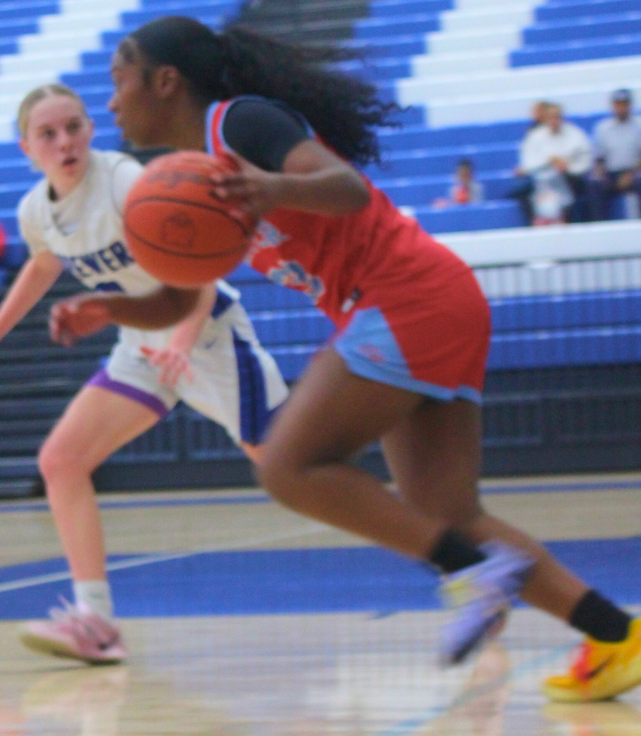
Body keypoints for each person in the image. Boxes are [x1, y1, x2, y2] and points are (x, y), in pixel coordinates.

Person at [49, 16, 640, 701]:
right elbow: (179, 301)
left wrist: (273, 189)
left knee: (287, 466)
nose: (111, 101)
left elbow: (346, 187)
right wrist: (109, 309)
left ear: (165, 81)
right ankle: (614, 634)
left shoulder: (237, 124)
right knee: (447, 512)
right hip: (429, 301)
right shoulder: (183, 179)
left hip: (405, 295)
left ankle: (471, 570)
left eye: (119, 79)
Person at [0, 83, 288, 664]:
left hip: (206, 338)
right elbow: (43, 265)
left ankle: (438, 544)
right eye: (48, 134)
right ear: (26, 148)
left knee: (294, 469)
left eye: (74, 127)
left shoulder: (127, 182)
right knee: (61, 461)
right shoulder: (35, 210)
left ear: (91, 129)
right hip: (142, 345)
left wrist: (180, 342)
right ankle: (97, 621)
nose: (65, 141)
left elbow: (199, 275)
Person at [514, 103, 593, 224]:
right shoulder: (535, 137)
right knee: (526, 194)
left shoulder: (575, 134)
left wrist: (568, 167)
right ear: (545, 119)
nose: (554, 121)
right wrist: (550, 161)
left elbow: (585, 159)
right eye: (550, 118)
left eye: (557, 117)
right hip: (542, 180)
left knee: (587, 188)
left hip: (570, 178)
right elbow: (528, 162)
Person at [588, 89, 641, 222]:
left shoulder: (638, 125)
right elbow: (599, 157)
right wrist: (600, 172)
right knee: (595, 184)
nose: (621, 108)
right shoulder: (603, 128)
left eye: (624, 104)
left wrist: (631, 174)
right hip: (610, 173)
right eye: (618, 104)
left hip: (634, 172)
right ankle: (600, 225)